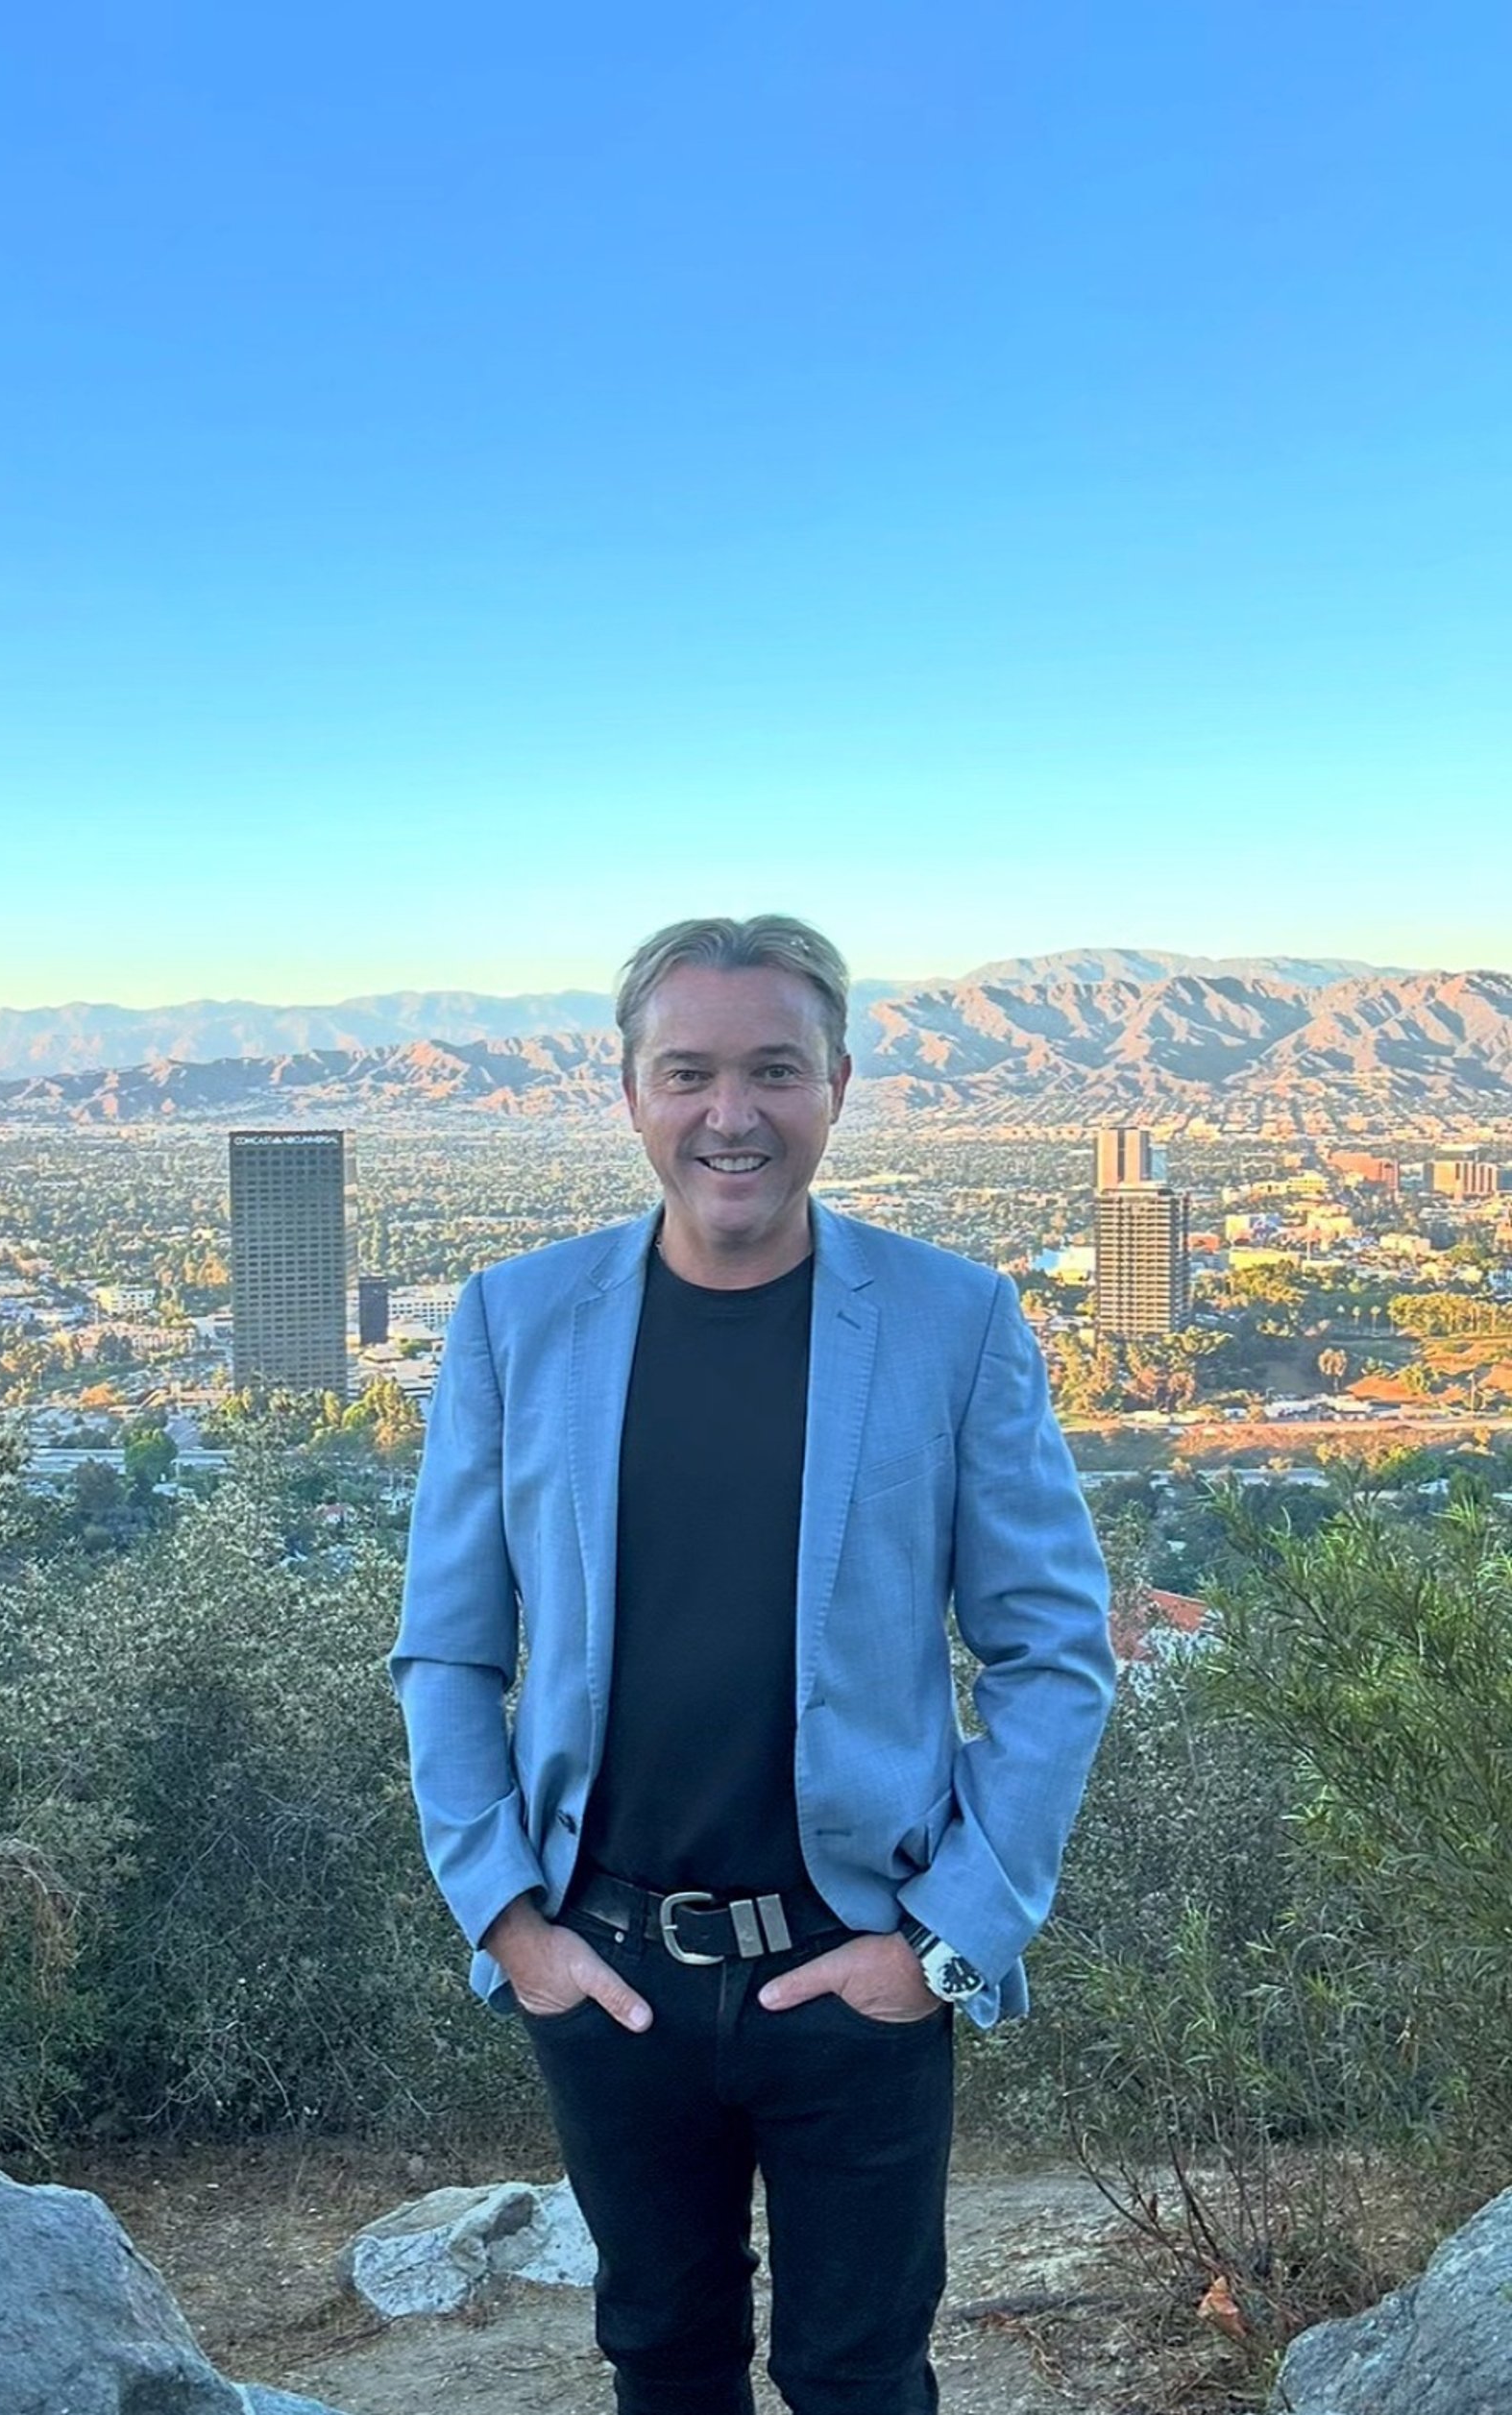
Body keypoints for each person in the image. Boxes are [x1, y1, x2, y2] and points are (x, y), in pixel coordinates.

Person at [391, 913, 1115, 2415]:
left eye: (776, 1069)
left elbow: (1053, 1650)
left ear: (837, 1085)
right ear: (632, 1092)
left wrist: (945, 1944)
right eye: (692, 1072)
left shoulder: (955, 1321)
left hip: (860, 1962)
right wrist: (513, 1925)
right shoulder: (517, 1321)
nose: (734, 1113)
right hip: (610, 1973)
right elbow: (448, 1650)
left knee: (862, 2378)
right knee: (663, 2366)